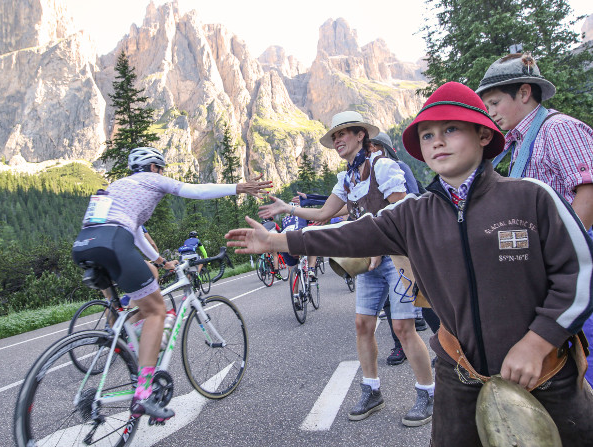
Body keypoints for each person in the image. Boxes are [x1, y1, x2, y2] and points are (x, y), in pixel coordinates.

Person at [226, 82, 593, 446]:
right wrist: (276, 240)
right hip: (459, 372)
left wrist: (537, 341)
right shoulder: (413, 214)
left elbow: (578, 274)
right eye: (427, 134)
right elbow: (348, 233)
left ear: (483, 134)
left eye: (451, 129)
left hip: (544, 372)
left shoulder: (531, 198)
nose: (437, 141)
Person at [258, 110, 435, 426]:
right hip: (368, 261)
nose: (337, 140)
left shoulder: (383, 167)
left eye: (343, 134)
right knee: (362, 325)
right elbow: (324, 213)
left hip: (397, 259)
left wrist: (380, 246)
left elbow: (402, 212)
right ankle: (372, 390)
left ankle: (427, 392)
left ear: (360, 136)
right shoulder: (348, 177)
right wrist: (288, 208)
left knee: (404, 329)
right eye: (334, 136)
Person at [72, 146, 271, 421]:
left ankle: (126, 342)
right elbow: (196, 191)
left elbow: (137, 235)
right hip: (113, 242)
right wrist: (238, 187)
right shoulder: (152, 179)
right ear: (154, 168)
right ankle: (143, 394)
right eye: (161, 169)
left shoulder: (118, 185)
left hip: (85, 244)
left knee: (143, 291)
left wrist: (162, 261)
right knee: (157, 310)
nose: (162, 174)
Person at [477, 53, 593, 388]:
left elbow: (587, 194)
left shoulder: (558, 129)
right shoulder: (521, 141)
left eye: (495, 102)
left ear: (525, 93)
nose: (491, 112)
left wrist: (562, 259)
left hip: (576, 271)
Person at [368, 132, 441, 366]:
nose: (369, 152)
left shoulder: (397, 167)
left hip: (408, 241)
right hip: (386, 242)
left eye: (373, 147)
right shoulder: (366, 177)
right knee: (393, 301)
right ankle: (399, 346)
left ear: (383, 149)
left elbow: (412, 199)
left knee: (423, 294)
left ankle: (450, 347)